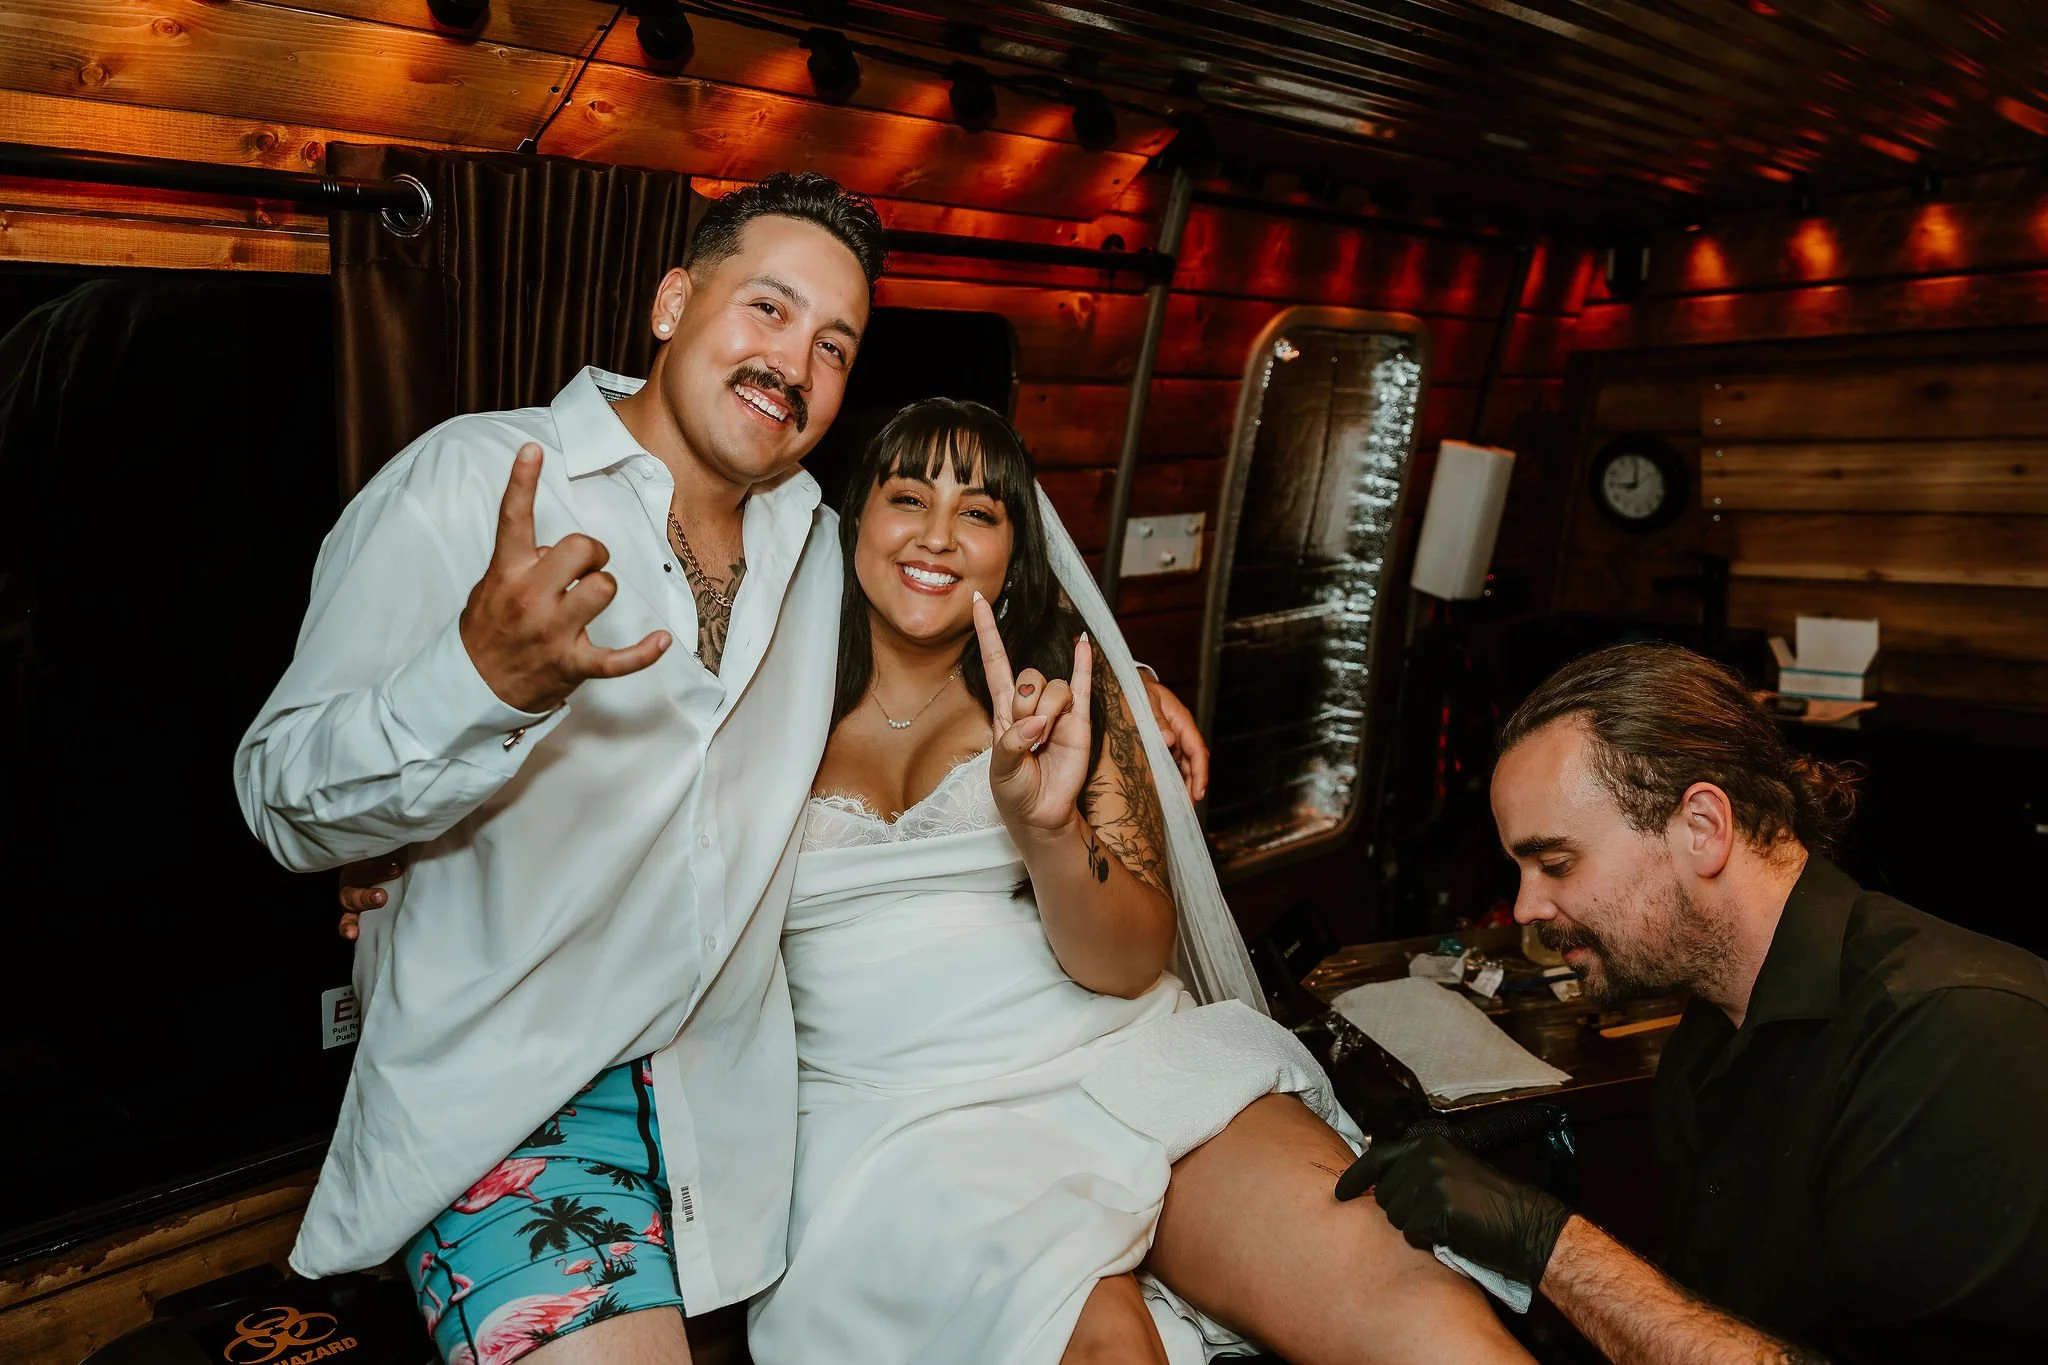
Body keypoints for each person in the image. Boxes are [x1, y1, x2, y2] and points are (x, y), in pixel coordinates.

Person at [240, 173, 1205, 1365]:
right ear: (671, 302)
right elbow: (282, 798)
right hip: (516, 1101)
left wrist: (1130, 687)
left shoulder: (820, 549)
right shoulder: (473, 483)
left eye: (832, 344)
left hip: (739, 1101)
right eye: (766, 308)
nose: (791, 362)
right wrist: (475, 688)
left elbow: (951, 620)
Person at [735, 398, 1530, 1365]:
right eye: (909, 496)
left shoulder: (1061, 691)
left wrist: (1047, 827)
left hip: (1118, 1058)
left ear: (1015, 550)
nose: (937, 535)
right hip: (895, 1119)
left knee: (1402, 1291)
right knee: (1105, 1345)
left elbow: (1126, 960)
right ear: (852, 515)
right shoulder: (757, 681)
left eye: (980, 512)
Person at [1338, 644, 2048, 1363]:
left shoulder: (1955, 1037)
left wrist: (1547, 1242)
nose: (1525, 906)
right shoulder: (1705, 1040)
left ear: (1703, 827)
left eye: (1555, 863)